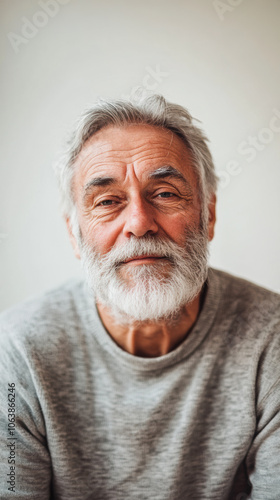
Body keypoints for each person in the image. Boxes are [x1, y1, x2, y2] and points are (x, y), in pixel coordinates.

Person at [0, 95, 279, 500]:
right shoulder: (18, 352)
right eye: (107, 201)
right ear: (74, 235)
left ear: (209, 216)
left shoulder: (271, 339)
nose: (139, 223)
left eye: (164, 193)